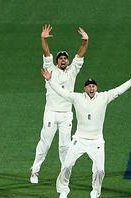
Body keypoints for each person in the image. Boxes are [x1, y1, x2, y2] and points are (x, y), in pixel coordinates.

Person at [40, 68, 131, 198]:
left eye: (93, 86)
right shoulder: (77, 98)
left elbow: (118, 91)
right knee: (66, 165)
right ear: (85, 88)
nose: (91, 88)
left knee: (100, 170)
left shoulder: (104, 97)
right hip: (79, 139)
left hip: (97, 141)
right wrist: (50, 80)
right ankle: (63, 189)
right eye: (89, 86)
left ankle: (95, 192)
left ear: (96, 87)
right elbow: (61, 92)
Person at [29, 24, 89, 184]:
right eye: (60, 58)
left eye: (65, 58)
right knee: (45, 143)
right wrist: (43, 38)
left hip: (66, 114)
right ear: (56, 62)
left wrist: (85, 40)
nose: (63, 60)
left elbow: (81, 54)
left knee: (65, 146)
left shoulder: (72, 71)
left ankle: (64, 174)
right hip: (51, 112)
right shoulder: (50, 69)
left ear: (68, 61)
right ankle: (35, 170)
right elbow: (46, 52)